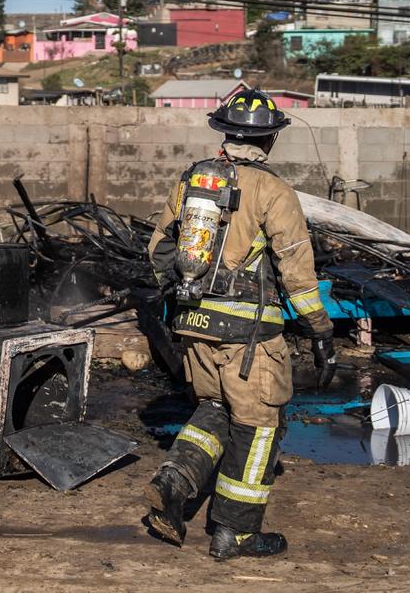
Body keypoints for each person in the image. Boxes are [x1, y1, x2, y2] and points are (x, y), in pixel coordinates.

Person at [143, 88, 337, 561]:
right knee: (257, 426)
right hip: (247, 337)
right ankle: (237, 533)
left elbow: (156, 253)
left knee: (213, 408)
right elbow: (297, 271)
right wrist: (320, 332)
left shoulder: (192, 182)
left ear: (224, 135)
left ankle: (174, 481)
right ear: (269, 140)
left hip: (193, 325)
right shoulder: (274, 191)